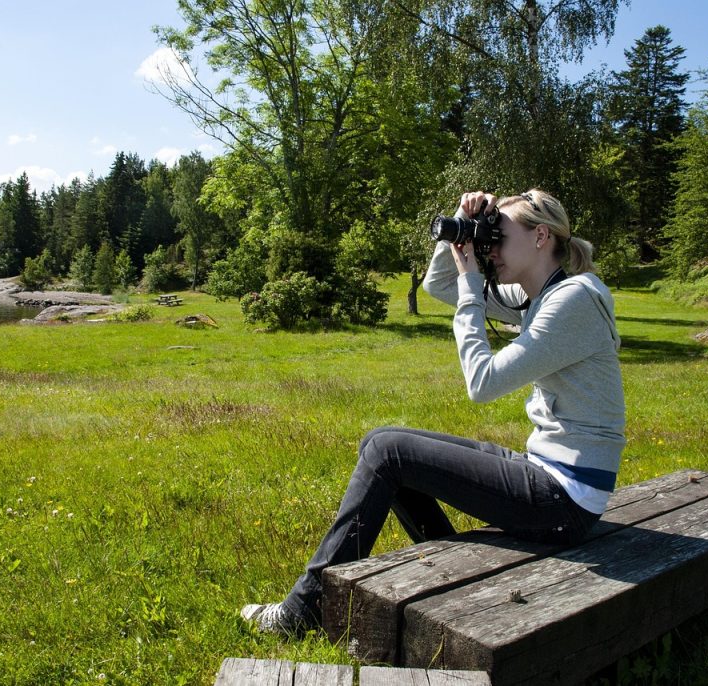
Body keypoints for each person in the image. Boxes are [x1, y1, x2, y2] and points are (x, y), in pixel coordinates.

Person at [241, 189, 626, 636]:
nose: (490, 248)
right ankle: (451, 565)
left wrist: (471, 287)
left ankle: (302, 610)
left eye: (498, 236)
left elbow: (482, 384)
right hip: (553, 479)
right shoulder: (541, 294)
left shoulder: (571, 300)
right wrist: (456, 232)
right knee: (379, 441)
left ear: (541, 236)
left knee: (389, 452)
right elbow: (436, 285)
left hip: (566, 499)